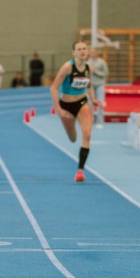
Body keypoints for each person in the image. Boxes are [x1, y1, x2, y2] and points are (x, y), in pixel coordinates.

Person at [50, 41, 102, 183]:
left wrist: (93, 98)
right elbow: (53, 88)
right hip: (66, 105)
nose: (82, 51)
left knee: (87, 134)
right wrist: (59, 109)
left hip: (82, 102)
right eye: (79, 49)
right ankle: (70, 127)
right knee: (72, 138)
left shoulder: (88, 68)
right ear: (74, 53)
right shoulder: (67, 67)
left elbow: (89, 84)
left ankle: (80, 171)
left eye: (84, 49)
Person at [87, 47, 109, 129]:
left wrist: (95, 71)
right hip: (90, 85)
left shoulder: (102, 62)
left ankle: (100, 121)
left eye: (94, 52)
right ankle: (91, 120)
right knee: (90, 104)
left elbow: (106, 73)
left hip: (99, 85)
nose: (92, 54)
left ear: (97, 53)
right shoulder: (88, 62)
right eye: (91, 52)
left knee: (100, 103)